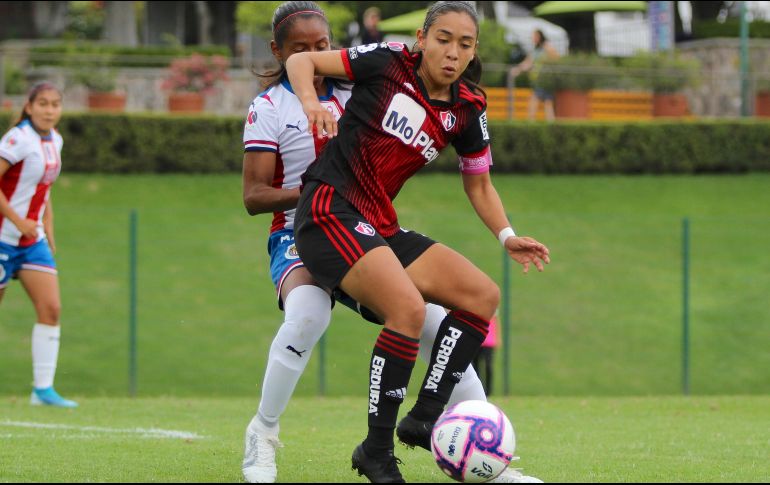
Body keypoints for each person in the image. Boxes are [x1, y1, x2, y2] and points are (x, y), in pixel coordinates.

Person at [239, 3, 540, 483]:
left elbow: (479, 183)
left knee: (468, 304)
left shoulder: (456, 103)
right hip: (314, 219)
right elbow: (254, 193)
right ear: (422, 38)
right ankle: (269, 433)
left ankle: (467, 444)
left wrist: (507, 235)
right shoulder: (291, 98)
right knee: (315, 315)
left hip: (371, 225)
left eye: (464, 43)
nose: (452, 51)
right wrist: (310, 105)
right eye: (443, 39)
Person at [0, 82, 77, 408]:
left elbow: (43, 188)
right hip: (3, 237)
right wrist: (17, 221)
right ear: (29, 107)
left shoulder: (55, 139)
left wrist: (48, 226)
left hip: (32, 242)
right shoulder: (17, 139)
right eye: (42, 103)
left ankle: (42, 391)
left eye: (55, 104)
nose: (49, 110)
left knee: (51, 309)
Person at [509, 29, 559, 121]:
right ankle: (549, 123)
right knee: (547, 103)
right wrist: (518, 69)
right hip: (539, 80)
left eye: (534, 36)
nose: (533, 39)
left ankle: (531, 121)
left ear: (540, 37)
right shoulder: (535, 50)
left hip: (545, 79)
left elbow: (556, 58)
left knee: (536, 100)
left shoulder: (546, 47)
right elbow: (528, 62)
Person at [474, 313, 498, 396]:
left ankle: (488, 392)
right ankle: (477, 391)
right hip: (477, 339)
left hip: (489, 342)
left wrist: (497, 338)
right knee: (476, 367)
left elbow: (496, 321)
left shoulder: (492, 308)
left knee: (488, 366)